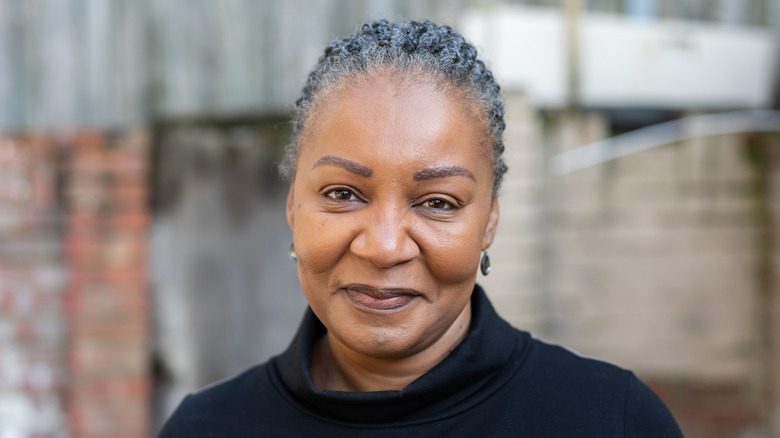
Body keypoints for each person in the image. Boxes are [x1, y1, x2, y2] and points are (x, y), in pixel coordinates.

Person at [159, 20, 682, 437]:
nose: (384, 247)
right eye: (343, 194)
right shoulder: (206, 427)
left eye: (436, 202)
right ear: (294, 205)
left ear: (490, 221)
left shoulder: (610, 420)